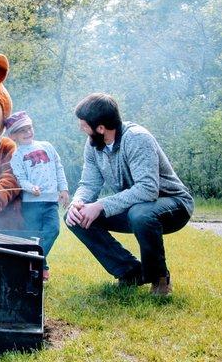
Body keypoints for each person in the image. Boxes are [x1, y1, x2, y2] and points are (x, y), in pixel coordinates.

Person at [65, 93, 193, 296]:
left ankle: (159, 278)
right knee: (75, 218)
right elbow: (89, 183)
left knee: (140, 213)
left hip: (174, 205)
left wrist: (101, 205)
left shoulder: (137, 138)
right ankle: (131, 272)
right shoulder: (93, 145)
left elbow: (147, 189)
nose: (81, 128)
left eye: (84, 124)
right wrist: (78, 202)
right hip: (134, 207)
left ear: (100, 128)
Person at [5, 111, 69, 281]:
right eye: (22, 131)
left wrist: (63, 189)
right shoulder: (16, 156)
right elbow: (21, 179)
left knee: (53, 230)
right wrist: (30, 187)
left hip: (50, 202)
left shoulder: (47, 146)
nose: (28, 133)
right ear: (13, 136)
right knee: (33, 237)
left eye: (29, 128)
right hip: (31, 204)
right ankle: (42, 268)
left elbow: (58, 167)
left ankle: (32, 262)